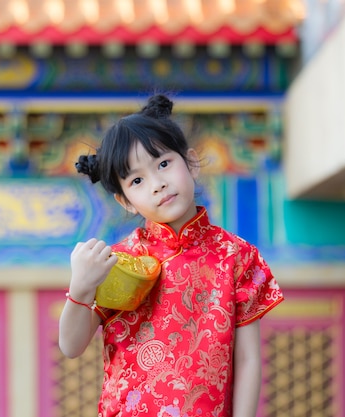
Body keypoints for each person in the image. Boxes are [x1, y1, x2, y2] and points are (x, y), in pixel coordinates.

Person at [58, 93, 284, 417]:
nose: (158, 184)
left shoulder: (237, 257)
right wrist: (80, 288)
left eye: (163, 164)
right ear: (125, 201)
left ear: (190, 163)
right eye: (137, 180)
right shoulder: (120, 264)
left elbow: (248, 360)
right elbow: (71, 345)